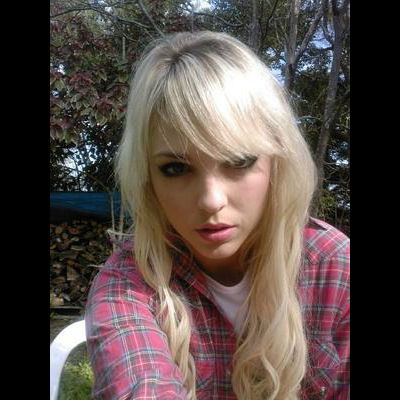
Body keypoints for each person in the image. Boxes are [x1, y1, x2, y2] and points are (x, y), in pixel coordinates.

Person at [85, 31, 350, 400]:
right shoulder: (129, 284)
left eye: (238, 161)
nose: (211, 201)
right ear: (147, 179)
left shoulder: (334, 268)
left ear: (278, 161)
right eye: (176, 168)